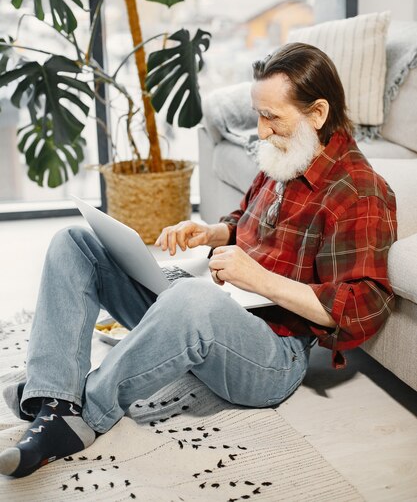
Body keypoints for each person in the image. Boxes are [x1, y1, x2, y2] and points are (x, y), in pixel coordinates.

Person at [0, 42, 397, 479]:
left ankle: (81, 414)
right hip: (216, 309)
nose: (261, 131)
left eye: (271, 117)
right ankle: (53, 397)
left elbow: (364, 309)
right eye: (258, 115)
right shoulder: (290, 150)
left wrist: (260, 280)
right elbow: (247, 218)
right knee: (74, 242)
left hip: (273, 356)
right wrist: (212, 232)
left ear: (318, 113)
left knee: (192, 299)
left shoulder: (358, 191)